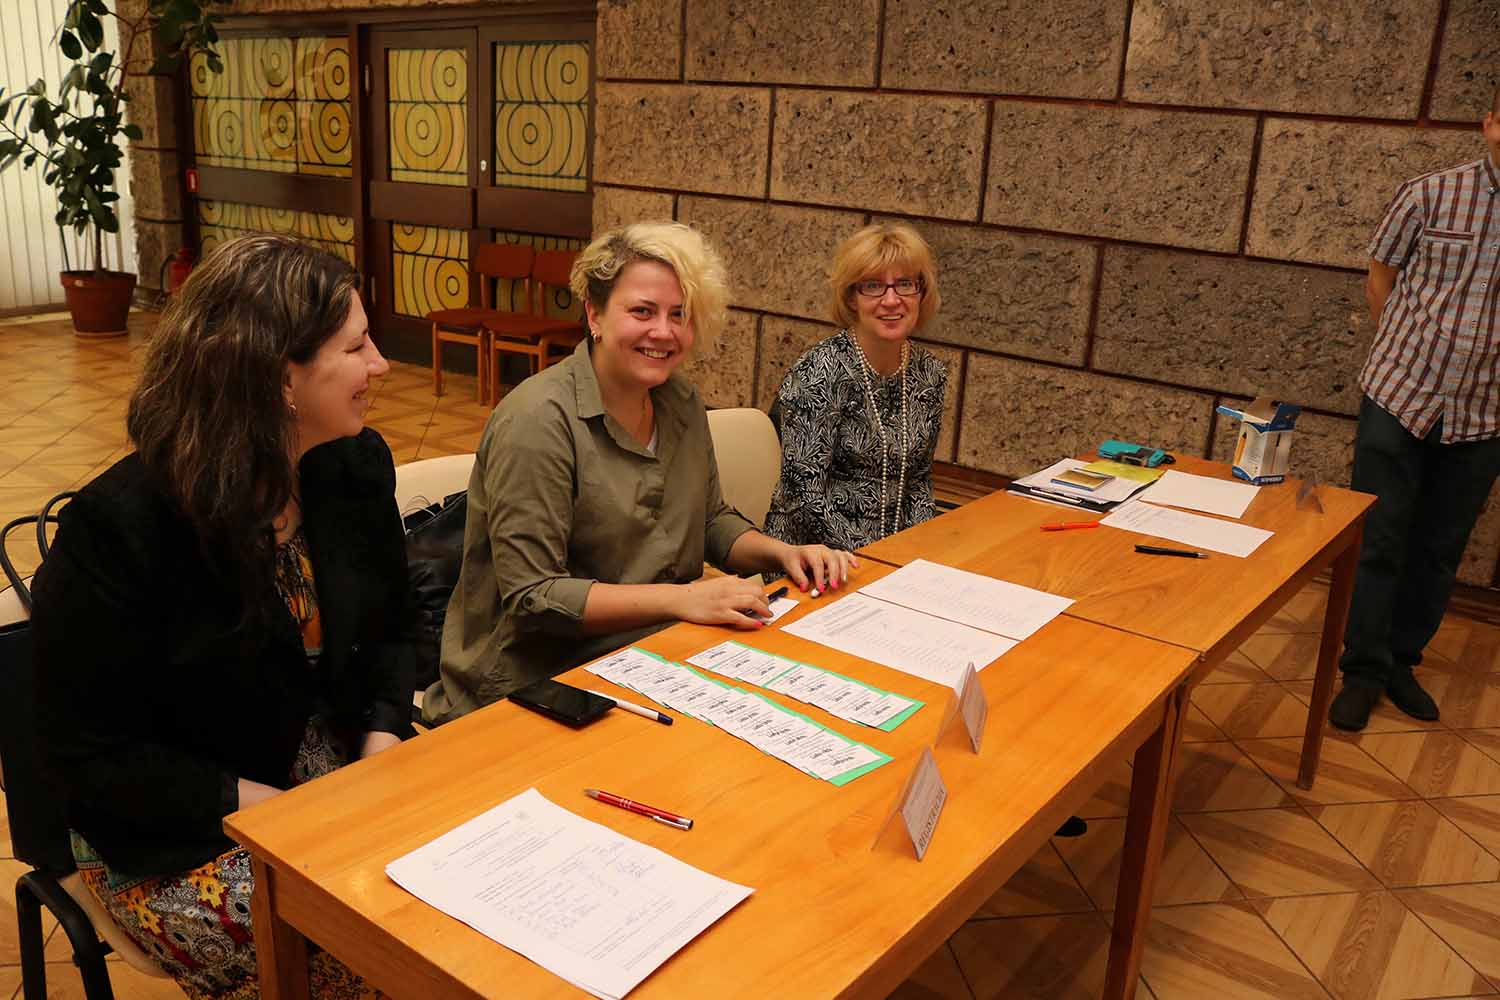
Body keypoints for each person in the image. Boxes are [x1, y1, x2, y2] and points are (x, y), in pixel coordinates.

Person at [31, 234, 411, 999]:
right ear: (280, 378)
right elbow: (90, 754)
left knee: (471, 888)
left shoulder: (350, 465)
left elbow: (394, 629)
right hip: (179, 829)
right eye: (356, 346)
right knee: (377, 947)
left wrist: (383, 736)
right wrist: (282, 811)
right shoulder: (123, 527)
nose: (381, 365)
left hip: (324, 775)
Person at [424, 222, 858, 724]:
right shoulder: (538, 421)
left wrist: (783, 552)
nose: (664, 332)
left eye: (679, 314)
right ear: (595, 314)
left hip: (652, 657)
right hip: (534, 685)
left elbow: (710, 520)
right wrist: (684, 599)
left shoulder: (680, 401)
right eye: (642, 311)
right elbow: (535, 595)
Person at [1328, 87, 1500, 732]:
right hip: (1399, 395)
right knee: (1379, 536)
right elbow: (1381, 277)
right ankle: (1362, 669)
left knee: (1439, 548)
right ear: (1490, 122)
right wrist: (1405, 350)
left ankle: (1401, 661)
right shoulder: (1429, 194)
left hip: (1486, 412)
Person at [764, 222, 948, 553]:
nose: (891, 300)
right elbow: (805, 496)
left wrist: (918, 550)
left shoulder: (929, 373)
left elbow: (919, 481)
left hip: (895, 554)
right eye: (873, 286)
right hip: (815, 555)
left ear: (921, 292)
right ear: (851, 298)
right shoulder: (819, 372)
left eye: (904, 284)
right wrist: (875, 559)